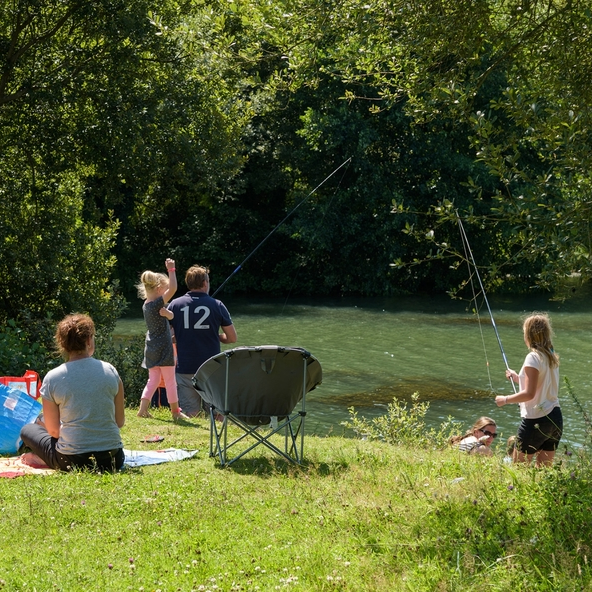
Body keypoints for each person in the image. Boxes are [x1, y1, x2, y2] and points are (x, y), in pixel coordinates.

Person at [19, 314, 125, 472]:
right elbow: (119, 422)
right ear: (89, 340)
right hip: (112, 459)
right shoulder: (110, 371)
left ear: (62, 344)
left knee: (27, 429)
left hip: (72, 460)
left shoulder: (53, 377)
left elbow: (54, 432)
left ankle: (43, 458)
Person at [167, 265, 237, 416]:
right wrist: (214, 335)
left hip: (185, 367)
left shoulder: (175, 304)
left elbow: (168, 336)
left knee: (190, 412)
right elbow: (232, 338)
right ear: (205, 283)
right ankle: (216, 437)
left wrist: (182, 335)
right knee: (216, 412)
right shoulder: (217, 305)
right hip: (211, 368)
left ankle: (192, 438)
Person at [495, 312, 562, 467]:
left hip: (537, 419)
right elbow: (542, 384)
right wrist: (518, 378)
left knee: (518, 468)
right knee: (544, 471)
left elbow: (529, 393)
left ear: (529, 335)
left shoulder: (533, 357)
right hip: (556, 418)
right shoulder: (550, 355)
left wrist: (504, 400)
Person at [136, 258, 188, 421]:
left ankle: (143, 409)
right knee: (170, 380)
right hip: (164, 347)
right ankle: (175, 412)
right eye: (164, 290)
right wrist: (171, 270)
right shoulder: (156, 304)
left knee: (154, 379)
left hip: (151, 347)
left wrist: (169, 314)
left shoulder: (147, 305)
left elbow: (168, 316)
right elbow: (173, 288)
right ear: (159, 290)